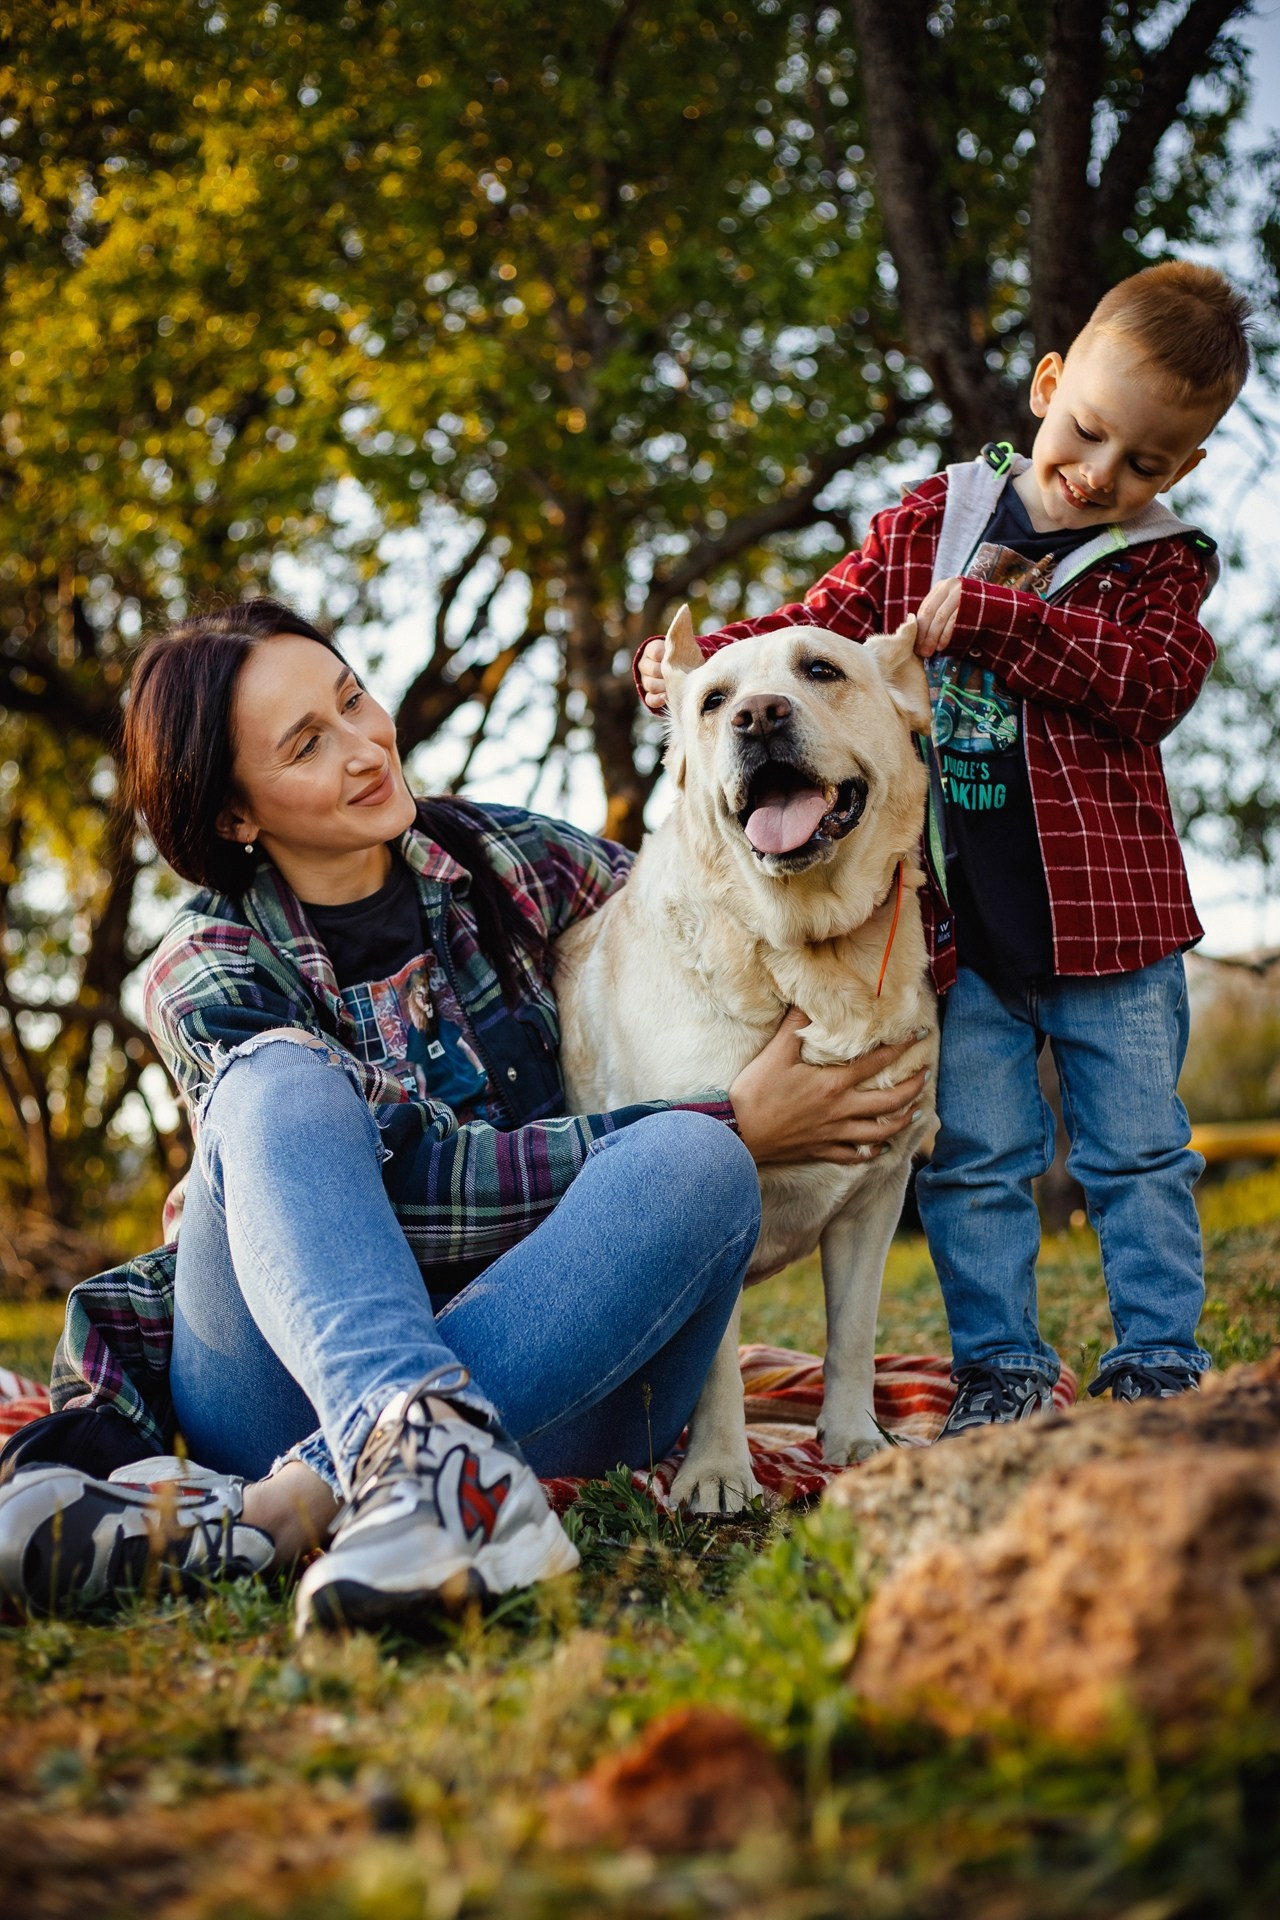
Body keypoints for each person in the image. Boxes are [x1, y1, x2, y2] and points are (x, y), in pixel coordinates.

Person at [0, 600, 925, 1632]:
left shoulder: (505, 857)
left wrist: (736, 732)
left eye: (354, 700)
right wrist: (736, 1116)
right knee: (278, 1082)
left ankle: (310, 1505)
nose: (363, 749)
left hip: (562, 1363)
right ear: (233, 817)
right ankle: (392, 1459)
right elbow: (405, 1192)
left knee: (693, 1164)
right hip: (277, 1389)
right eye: (309, 744)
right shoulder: (203, 966)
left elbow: (705, 898)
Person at [637, 261, 1253, 1436]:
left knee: (1136, 1152)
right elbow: (812, 621)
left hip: (1109, 931)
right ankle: (1001, 1368)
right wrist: (703, 662)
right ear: (1044, 385)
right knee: (973, 1156)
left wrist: (1001, 622)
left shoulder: (1159, 563)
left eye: (1144, 462)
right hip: (958, 928)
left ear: (1183, 469)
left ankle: (1160, 1358)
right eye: (1084, 433)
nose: (1098, 474)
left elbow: (1152, 684)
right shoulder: (936, 520)